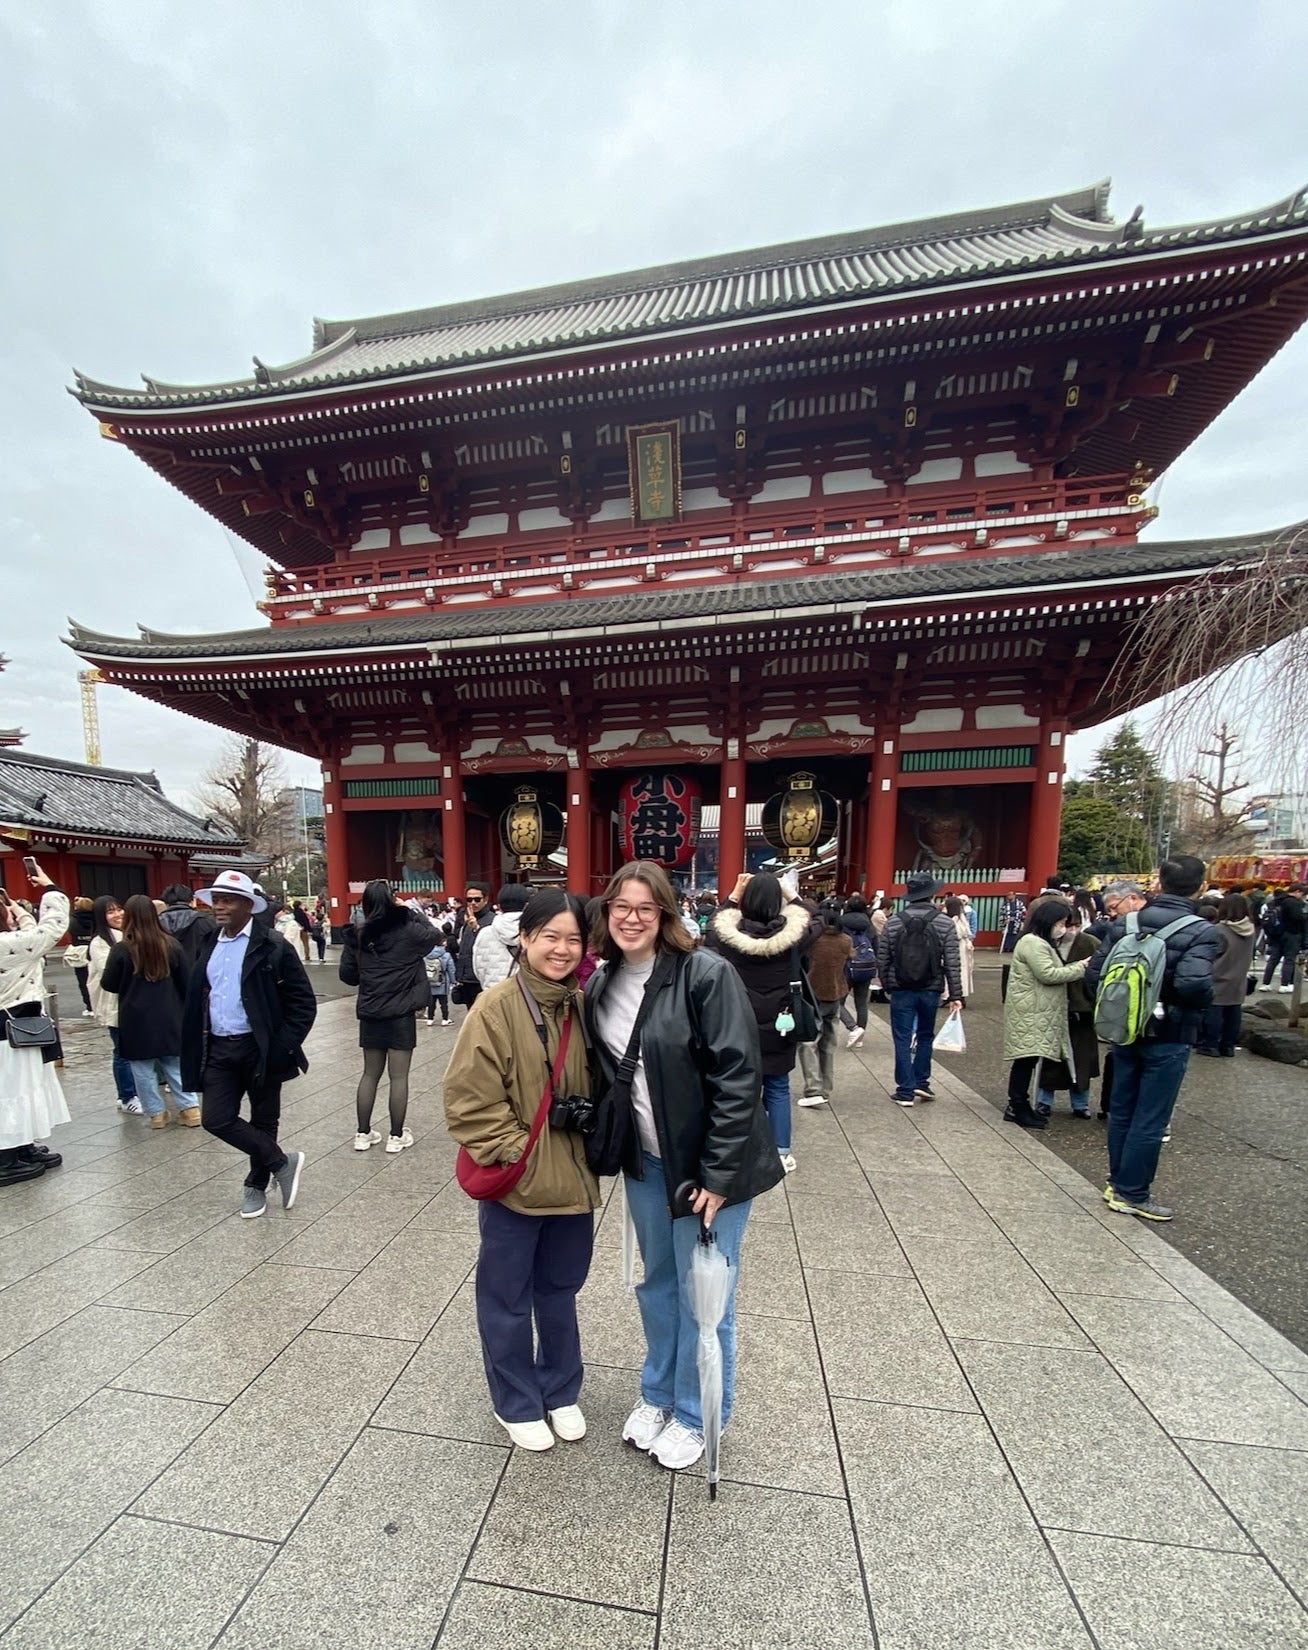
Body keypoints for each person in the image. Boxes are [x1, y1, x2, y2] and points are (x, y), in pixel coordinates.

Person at [585, 861, 782, 1473]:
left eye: (646, 907)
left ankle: (699, 1414)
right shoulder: (602, 983)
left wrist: (720, 1177)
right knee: (659, 1285)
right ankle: (659, 1394)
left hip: (708, 1167)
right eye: (621, 906)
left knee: (707, 1295)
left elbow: (738, 1075)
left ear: (667, 914)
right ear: (607, 912)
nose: (632, 918)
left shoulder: (705, 973)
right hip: (646, 1162)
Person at [443, 889, 597, 1451]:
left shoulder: (583, 1003)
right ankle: (515, 1399)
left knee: (560, 1290)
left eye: (573, 939)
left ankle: (560, 1388)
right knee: (506, 1295)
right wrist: (518, 1153)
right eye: (549, 936)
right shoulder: (497, 1007)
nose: (561, 949)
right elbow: (468, 1099)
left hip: (574, 1181)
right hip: (519, 1182)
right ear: (525, 939)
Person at [1084, 855, 1222, 1222]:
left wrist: (1126, 1004)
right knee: (1151, 1116)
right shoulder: (1201, 930)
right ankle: (1133, 1192)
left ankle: (1118, 1182)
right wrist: (1201, 1002)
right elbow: (1193, 984)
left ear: (1158, 883)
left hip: (1125, 1028)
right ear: (1200, 885)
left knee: (1123, 1108)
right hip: (1170, 1030)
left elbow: (1095, 975)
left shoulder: (1126, 924)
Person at [181, 869, 316, 1218]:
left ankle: (255, 1185)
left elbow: (303, 1003)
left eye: (227, 901)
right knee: (216, 1118)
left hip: (260, 1047)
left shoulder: (272, 945)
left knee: (263, 1119)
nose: (218, 907)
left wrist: (281, 1045)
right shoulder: (210, 941)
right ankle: (281, 1162)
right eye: (216, 901)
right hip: (219, 1047)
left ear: (247, 906)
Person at [704, 870, 815, 1173]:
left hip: (739, 1022)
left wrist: (733, 894)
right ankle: (781, 1151)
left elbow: (712, 929)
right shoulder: (794, 937)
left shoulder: (728, 938)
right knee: (778, 1086)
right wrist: (791, 893)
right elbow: (817, 919)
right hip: (783, 1023)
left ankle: (742, 1148)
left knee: (741, 1089)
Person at [339, 880, 434, 1152]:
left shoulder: (358, 934)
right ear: (392, 901)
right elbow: (433, 935)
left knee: (370, 1074)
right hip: (401, 1012)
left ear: (365, 904)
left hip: (371, 1011)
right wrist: (411, 910)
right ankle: (395, 1136)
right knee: (399, 1076)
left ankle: (362, 1133)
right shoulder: (409, 931)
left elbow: (348, 977)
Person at [100, 894, 202, 1129]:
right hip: (170, 1013)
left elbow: (109, 983)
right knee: (175, 1064)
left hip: (135, 1017)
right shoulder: (171, 944)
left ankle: (156, 1113)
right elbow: (186, 981)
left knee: (142, 1068)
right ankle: (190, 1108)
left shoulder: (121, 949)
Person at [0, 864, 70, 1186]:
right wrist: (49, 887)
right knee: (12, 1092)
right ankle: (5, 1157)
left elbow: (30, 939)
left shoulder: (12, 943)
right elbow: (51, 929)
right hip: (9, 1034)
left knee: (22, 1088)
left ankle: (22, 1145)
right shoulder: (7, 946)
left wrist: (18, 913)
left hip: (16, 1030)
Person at [1002, 899, 1091, 1130]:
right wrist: (1081, 967)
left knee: (1028, 1059)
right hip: (1032, 1011)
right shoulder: (1034, 943)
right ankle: (1017, 1105)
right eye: (1061, 922)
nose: (1063, 927)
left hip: (1035, 1009)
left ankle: (1020, 1106)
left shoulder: (1038, 942)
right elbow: (1048, 974)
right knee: (1025, 1060)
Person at [876, 873, 963, 1107]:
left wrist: (887, 984)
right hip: (931, 986)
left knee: (902, 1038)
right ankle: (921, 1082)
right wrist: (956, 994)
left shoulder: (894, 922)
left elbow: (883, 958)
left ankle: (905, 1090)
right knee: (925, 1035)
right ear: (932, 894)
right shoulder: (944, 922)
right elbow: (953, 960)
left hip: (901, 987)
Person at [1034, 908, 1101, 1117]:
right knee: (1050, 1057)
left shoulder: (1091, 943)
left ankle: (1080, 1103)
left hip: (1082, 1007)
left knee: (1082, 1059)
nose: (1070, 930)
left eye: (1074, 925)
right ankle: (1044, 1100)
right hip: (1054, 1007)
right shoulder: (1048, 944)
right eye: (1067, 925)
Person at [796, 906, 854, 1114]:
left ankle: (813, 1089)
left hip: (812, 994)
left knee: (809, 1042)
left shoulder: (813, 942)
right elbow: (850, 958)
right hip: (836, 993)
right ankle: (826, 1089)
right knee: (828, 1044)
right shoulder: (845, 940)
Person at [88, 894, 141, 1116]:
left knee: (134, 1050)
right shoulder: (99, 942)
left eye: (119, 909)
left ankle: (134, 1091)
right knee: (122, 1051)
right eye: (110, 911)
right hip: (114, 1005)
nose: (118, 914)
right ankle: (126, 1095)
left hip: (132, 1003)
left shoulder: (128, 934)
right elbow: (109, 971)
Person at [1197, 893, 1257, 1057]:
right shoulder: (1251, 930)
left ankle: (1210, 1044)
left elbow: (1212, 953)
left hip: (1218, 976)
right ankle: (1228, 1046)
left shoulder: (1219, 930)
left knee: (1214, 1011)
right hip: (1239, 978)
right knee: (1234, 1012)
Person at [473, 882, 531, 988]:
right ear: (527, 905)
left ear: (499, 906)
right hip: (525, 995)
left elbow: (478, 968)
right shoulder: (534, 932)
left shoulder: (485, 933)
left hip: (493, 995)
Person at [838, 893, 876, 1046]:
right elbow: (876, 944)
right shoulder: (869, 923)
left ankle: (852, 1027)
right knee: (862, 1003)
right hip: (866, 966)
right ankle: (860, 1035)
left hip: (846, 966)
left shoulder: (841, 922)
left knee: (838, 1001)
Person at [158, 883, 218, 971]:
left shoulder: (155, 923)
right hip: (198, 974)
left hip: (166, 977)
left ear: (166, 903)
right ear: (192, 901)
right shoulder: (208, 922)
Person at [1260, 883, 1306, 992]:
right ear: (1298, 892)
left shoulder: (1276, 901)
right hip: (1292, 934)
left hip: (1276, 933)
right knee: (1289, 959)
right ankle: (1285, 984)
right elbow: (1297, 917)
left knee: (1273, 959)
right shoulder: (1294, 903)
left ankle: (1266, 983)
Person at [454, 883, 493, 1009]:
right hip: (467, 978)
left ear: (486, 899)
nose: (473, 903)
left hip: (481, 979)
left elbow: (490, 946)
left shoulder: (492, 920)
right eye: (469, 899)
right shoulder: (467, 920)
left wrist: (476, 928)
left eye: (477, 899)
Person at [68, 895, 96, 1016]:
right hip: (94, 949)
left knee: (83, 980)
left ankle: (89, 1006)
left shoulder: (72, 920)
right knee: (96, 978)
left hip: (79, 951)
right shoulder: (97, 919)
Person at [943, 895, 975, 999]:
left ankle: (953, 995)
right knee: (961, 971)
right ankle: (959, 995)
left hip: (956, 947)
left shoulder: (954, 919)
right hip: (961, 947)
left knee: (954, 971)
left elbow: (958, 933)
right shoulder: (961, 918)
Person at [424, 935, 456, 1026]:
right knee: (443, 1002)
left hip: (430, 981)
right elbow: (451, 969)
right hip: (442, 982)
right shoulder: (446, 955)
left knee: (431, 1002)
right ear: (443, 943)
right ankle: (445, 1019)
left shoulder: (427, 954)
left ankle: (430, 1019)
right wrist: (453, 981)